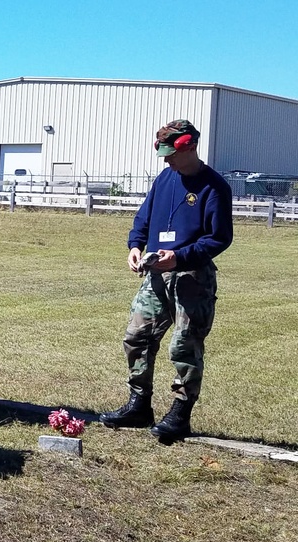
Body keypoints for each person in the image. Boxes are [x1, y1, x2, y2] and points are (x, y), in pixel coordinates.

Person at [99, 119, 233, 442]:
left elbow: (220, 238)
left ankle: (180, 412)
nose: (166, 160)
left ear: (189, 146)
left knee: (184, 344)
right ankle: (139, 404)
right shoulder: (164, 180)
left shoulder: (215, 187)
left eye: (171, 154)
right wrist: (135, 246)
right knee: (136, 336)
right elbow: (143, 219)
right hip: (157, 273)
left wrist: (181, 257)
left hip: (192, 277)